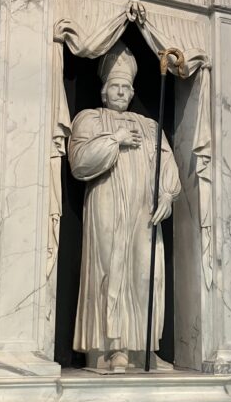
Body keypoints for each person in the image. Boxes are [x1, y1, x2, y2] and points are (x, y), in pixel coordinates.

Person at [68, 41, 181, 372]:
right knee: (111, 271)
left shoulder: (149, 126)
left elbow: (167, 162)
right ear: (104, 91)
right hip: (107, 204)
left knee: (146, 275)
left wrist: (167, 194)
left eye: (125, 88)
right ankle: (111, 348)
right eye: (115, 86)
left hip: (144, 211)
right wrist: (114, 140)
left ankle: (143, 349)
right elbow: (79, 163)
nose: (120, 92)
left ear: (132, 92)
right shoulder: (90, 119)